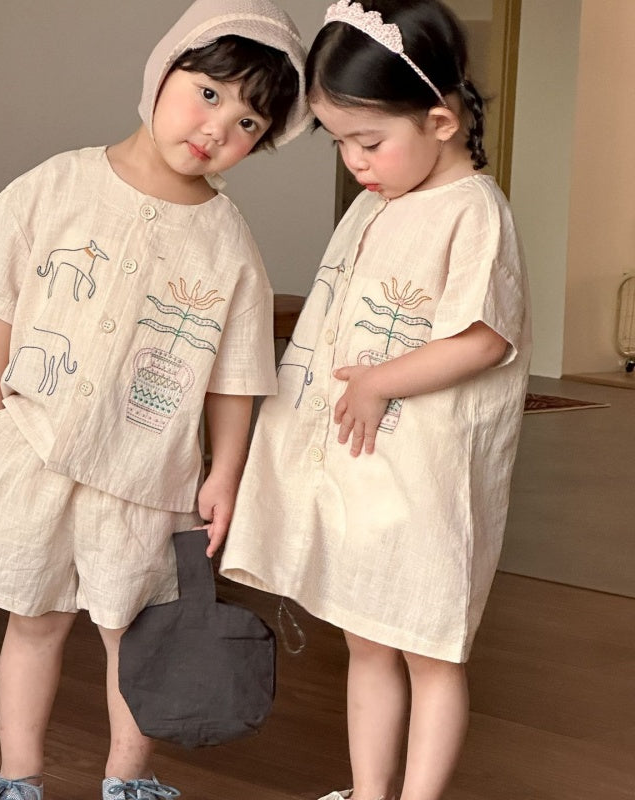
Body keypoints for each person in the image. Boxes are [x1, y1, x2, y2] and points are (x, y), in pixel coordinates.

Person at [0, 2, 310, 798]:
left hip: (146, 476)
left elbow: (236, 374)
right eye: (208, 94)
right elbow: (1, 296)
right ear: (163, 72)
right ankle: (17, 776)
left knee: (136, 633)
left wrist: (225, 471)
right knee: (32, 621)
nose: (216, 128)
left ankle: (128, 781)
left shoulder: (228, 240)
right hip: (38, 447)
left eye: (246, 123)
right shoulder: (59, 182)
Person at [220, 1, 531, 799]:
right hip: (367, 472)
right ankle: (367, 789)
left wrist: (381, 381)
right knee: (366, 638)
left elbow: (484, 337)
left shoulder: (473, 211)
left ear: (439, 122)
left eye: (369, 141)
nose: (355, 162)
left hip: (425, 480)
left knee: (429, 648)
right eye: (339, 142)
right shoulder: (379, 200)